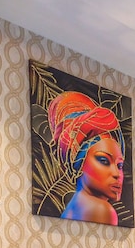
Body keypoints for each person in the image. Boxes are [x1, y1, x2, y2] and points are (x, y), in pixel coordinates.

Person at [47, 91, 125, 225]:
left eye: (120, 165)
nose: (117, 174)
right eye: (104, 161)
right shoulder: (102, 209)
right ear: (78, 163)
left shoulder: (75, 206)